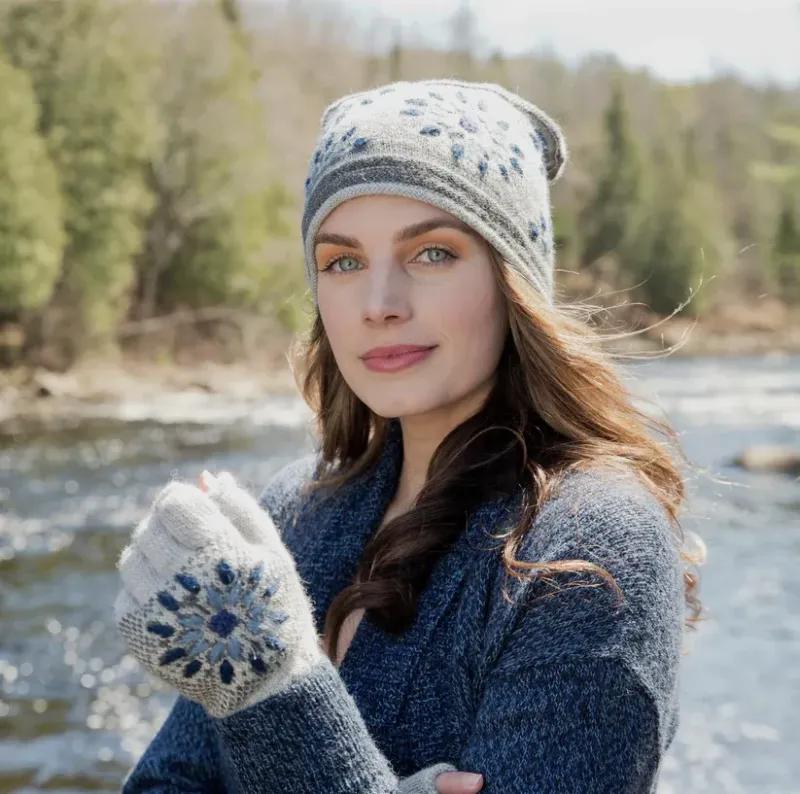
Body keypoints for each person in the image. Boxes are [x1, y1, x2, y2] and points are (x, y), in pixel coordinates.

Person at [113, 79, 702, 794]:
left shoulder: (591, 550)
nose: (379, 305)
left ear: (511, 279)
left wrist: (272, 686)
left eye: (432, 253)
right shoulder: (298, 510)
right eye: (344, 262)